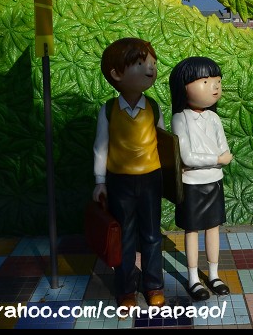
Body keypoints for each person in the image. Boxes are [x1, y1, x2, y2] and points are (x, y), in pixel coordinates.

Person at [92, 37, 165, 310]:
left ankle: (154, 285)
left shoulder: (153, 107)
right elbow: (101, 147)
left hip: (151, 179)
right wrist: (100, 182)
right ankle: (126, 290)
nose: (150, 69)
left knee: (152, 235)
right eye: (141, 63)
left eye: (153, 64)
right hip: (119, 181)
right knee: (124, 236)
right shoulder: (109, 110)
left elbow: (165, 143)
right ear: (116, 73)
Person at [168, 56, 233, 301]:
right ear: (182, 86)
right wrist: (217, 158)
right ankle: (193, 278)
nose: (215, 86)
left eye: (217, 81)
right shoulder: (180, 119)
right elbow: (187, 156)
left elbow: (224, 149)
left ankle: (214, 274)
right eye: (206, 81)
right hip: (192, 184)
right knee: (192, 230)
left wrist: (216, 157)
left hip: (214, 181)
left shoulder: (214, 119)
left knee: (214, 228)